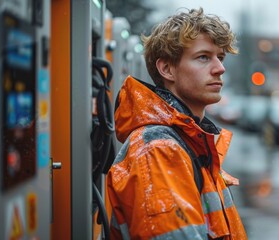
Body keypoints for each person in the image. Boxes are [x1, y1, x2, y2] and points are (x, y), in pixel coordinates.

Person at [106, 7, 248, 240]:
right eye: (203, 57)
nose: (220, 68)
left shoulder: (190, 140)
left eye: (220, 57)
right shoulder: (159, 151)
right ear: (167, 69)